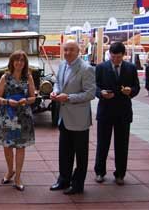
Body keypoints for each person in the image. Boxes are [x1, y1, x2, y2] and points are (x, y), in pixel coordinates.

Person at [49, 40, 96, 195]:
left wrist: (68, 97)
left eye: (71, 50)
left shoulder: (86, 68)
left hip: (79, 118)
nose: (67, 52)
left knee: (81, 154)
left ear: (78, 51)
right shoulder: (62, 65)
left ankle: (77, 185)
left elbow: (90, 93)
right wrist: (55, 92)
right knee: (64, 152)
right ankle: (63, 180)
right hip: (64, 117)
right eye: (65, 49)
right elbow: (58, 83)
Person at [94, 42, 140, 185]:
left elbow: (136, 86)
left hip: (123, 111)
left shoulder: (131, 68)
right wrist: (100, 93)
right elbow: (94, 86)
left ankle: (120, 174)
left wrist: (130, 91)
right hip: (105, 110)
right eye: (113, 57)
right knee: (102, 144)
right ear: (109, 55)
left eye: (118, 57)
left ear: (123, 55)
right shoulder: (101, 67)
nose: (115, 60)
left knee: (122, 144)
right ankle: (100, 172)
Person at [0, 50, 36, 191]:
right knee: (7, 146)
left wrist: (27, 100)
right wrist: (7, 101)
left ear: (25, 63)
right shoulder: (5, 77)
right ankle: (9, 171)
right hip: (8, 115)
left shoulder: (28, 77)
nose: (19, 63)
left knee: (20, 146)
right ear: (12, 62)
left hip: (23, 116)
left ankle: (17, 177)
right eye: (16, 60)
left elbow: (33, 97)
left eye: (22, 60)